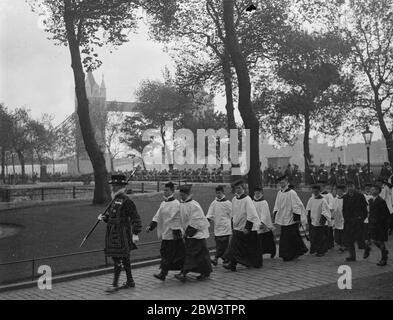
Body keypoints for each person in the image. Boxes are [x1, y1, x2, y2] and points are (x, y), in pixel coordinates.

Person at [99, 174, 142, 292]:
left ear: (120, 186)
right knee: (124, 259)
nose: (113, 187)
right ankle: (130, 281)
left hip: (122, 233)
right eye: (113, 185)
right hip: (113, 233)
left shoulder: (126, 201)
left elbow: (135, 217)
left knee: (119, 258)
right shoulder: (114, 200)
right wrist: (105, 218)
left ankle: (115, 284)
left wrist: (136, 232)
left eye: (115, 185)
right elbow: (112, 216)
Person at [146, 182, 185, 281]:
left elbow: (179, 218)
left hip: (174, 234)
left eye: (167, 190)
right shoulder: (163, 203)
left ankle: (165, 273)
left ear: (172, 191)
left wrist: (177, 231)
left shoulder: (176, 204)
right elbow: (157, 216)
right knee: (165, 253)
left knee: (174, 254)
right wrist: (151, 226)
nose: (165, 192)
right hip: (165, 233)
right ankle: (168, 272)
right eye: (164, 190)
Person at [175, 185, 212, 282]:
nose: (181, 197)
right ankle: (205, 272)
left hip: (197, 235)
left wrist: (188, 233)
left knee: (191, 254)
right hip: (190, 235)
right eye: (180, 195)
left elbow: (197, 220)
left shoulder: (194, 205)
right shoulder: (182, 204)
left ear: (188, 195)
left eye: (183, 195)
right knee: (200, 256)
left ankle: (184, 273)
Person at [223, 180, 263, 271]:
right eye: (236, 188)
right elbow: (233, 213)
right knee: (235, 245)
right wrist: (233, 223)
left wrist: (247, 227)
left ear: (243, 188)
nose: (238, 190)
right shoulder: (234, 199)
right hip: (238, 226)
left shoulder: (247, 199)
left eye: (240, 188)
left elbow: (251, 214)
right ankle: (232, 264)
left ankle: (235, 263)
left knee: (241, 246)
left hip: (246, 226)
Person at [273, 175, 308, 262]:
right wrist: (275, 212)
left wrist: (297, 216)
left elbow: (296, 204)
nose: (282, 184)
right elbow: (277, 204)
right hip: (283, 218)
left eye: (283, 182)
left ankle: (291, 253)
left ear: (287, 182)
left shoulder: (291, 192)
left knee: (292, 236)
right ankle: (287, 254)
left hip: (291, 218)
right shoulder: (279, 193)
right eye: (280, 182)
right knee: (285, 236)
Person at [364, 185, 390, 266]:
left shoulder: (381, 201)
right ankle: (383, 251)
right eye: (371, 189)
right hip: (372, 224)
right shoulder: (370, 201)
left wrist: (385, 225)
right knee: (373, 240)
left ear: (378, 191)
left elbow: (385, 214)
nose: (371, 190)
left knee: (380, 241)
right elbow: (370, 212)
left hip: (380, 225)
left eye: (374, 189)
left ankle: (384, 259)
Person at [206, 185, 232, 266]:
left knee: (223, 243)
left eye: (219, 193)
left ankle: (216, 258)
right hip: (217, 227)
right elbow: (210, 213)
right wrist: (207, 221)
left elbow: (232, 215)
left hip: (225, 227)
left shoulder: (228, 203)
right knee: (219, 243)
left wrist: (232, 223)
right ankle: (225, 259)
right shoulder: (214, 203)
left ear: (223, 193)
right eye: (217, 193)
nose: (218, 195)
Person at [342, 181, 368, 262]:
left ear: (354, 187)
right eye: (348, 186)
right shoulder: (345, 197)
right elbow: (344, 209)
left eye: (351, 186)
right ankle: (352, 256)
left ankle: (367, 248)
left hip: (358, 221)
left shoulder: (360, 196)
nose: (350, 188)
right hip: (349, 221)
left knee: (359, 239)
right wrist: (346, 218)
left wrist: (361, 218)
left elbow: (364, 209)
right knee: (349, 239)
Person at [306, 184, 331, 257]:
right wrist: (309, 219)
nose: (315, 193)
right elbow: (309, 209)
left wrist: (322, 220)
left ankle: (321, 251)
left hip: (320, 222)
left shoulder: (323, 200)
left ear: (319, 191)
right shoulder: (311, 199)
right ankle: (314, 248)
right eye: (314, 192)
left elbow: (325, 211)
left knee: (321, 237)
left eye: (316, 192)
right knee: (313, 236)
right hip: (313, 221)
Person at [253, 186, 276, 258]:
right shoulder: (252, 202)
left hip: (264, 224)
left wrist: (262, 222)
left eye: (259, 193)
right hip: (256, 223)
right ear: (254, 193)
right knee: (259, 239)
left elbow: (265, 213)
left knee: (267, 238)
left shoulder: (264, 202)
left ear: (261, 193)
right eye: (256, 193)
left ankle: (272, 251)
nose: (257, 195)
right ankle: (260, 252)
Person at [320, 181, 335, 249]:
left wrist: (324, 209)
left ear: (324, 187)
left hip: (326, 215)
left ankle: (328, 244)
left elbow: (331, 205)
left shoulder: (329, 195)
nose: (320, 187)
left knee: (327, 231)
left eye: (321, 186)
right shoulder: (316, 195)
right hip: (319, 215)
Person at [332, 185, 346, 252]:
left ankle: (343, 246)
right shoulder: (335, 199)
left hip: (344, 218)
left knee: (343, 233)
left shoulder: (346, 199)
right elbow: (333, 208)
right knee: (337, 234)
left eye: (340, 190)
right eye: (337, 190)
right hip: (337, 219)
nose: (338, 192)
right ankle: (341, 244)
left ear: (343, 191)